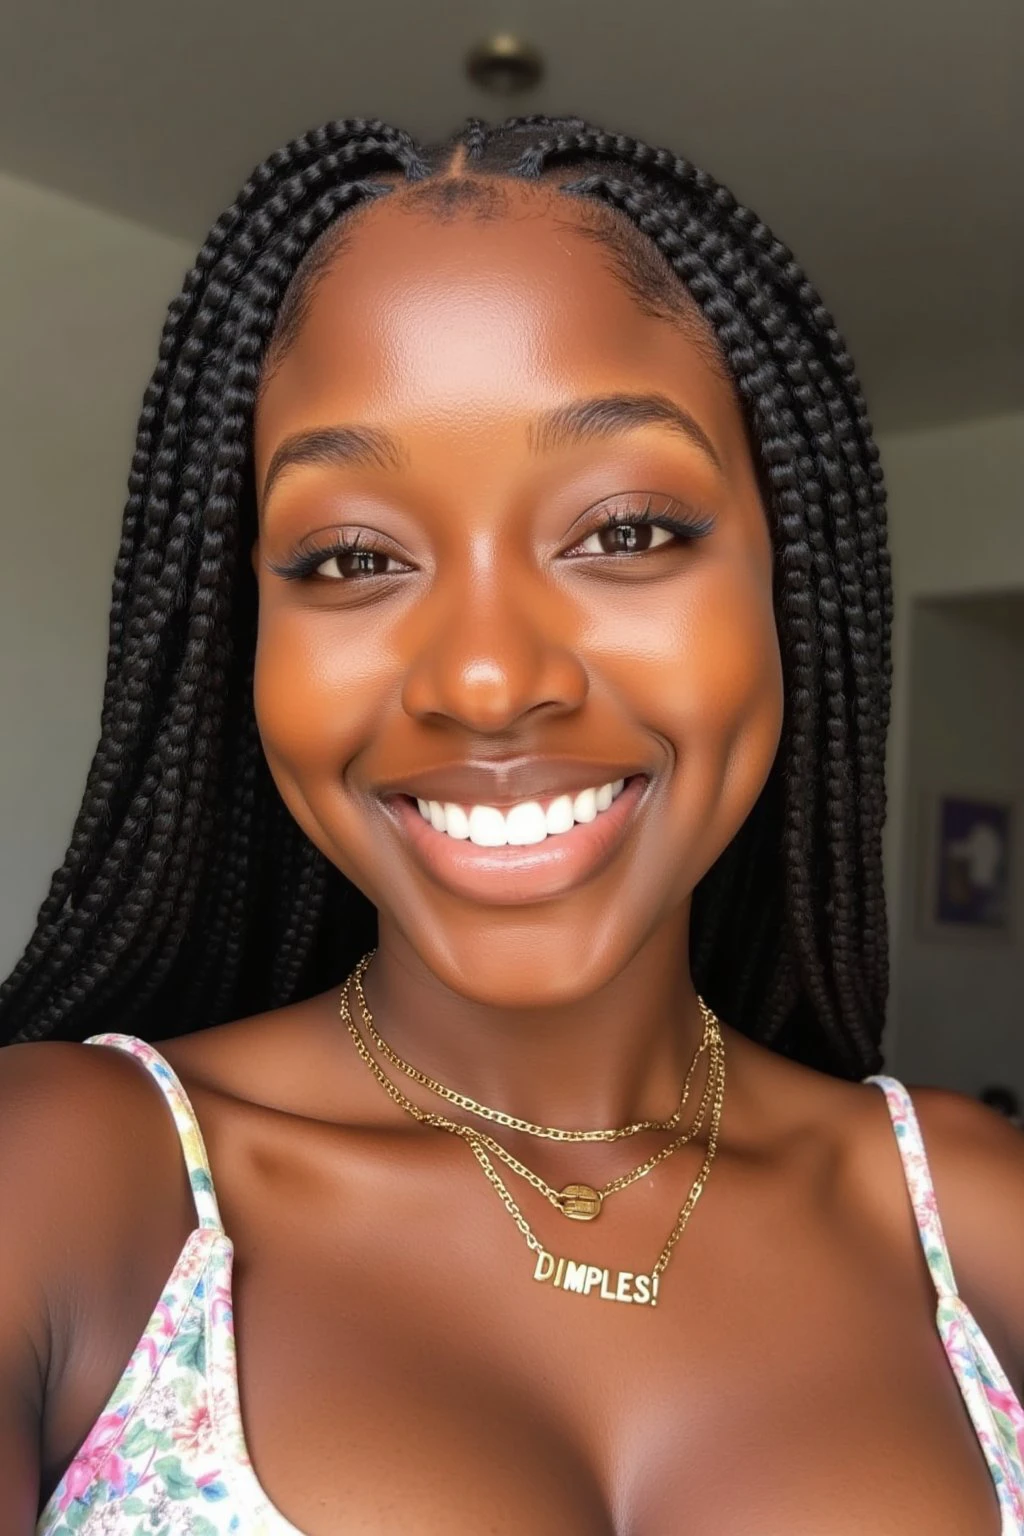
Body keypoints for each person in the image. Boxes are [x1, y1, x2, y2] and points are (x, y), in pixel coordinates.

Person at [1, 113, 1022, 1534]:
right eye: (351, 557)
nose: (486, 679)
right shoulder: (57, 1179)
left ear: (788, 583)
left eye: (626, 531)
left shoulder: (971, 1221)